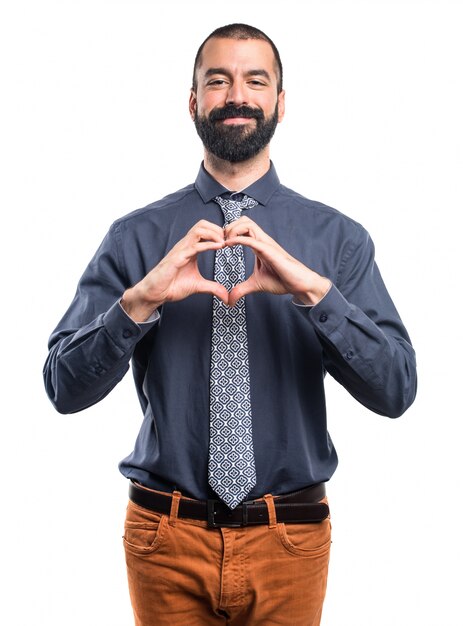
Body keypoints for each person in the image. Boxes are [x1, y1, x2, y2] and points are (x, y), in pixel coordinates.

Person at [43, 23, 417, 626]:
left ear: (280, 102)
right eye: (217, 80)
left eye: (255, 80)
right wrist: (139, 302)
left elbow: (396, 390)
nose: (235, 94)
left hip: (289, 542)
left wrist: (316, 294)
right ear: (193, 101)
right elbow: (63, 387)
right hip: (163, 540)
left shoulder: (337, 241)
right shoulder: (136, 238)